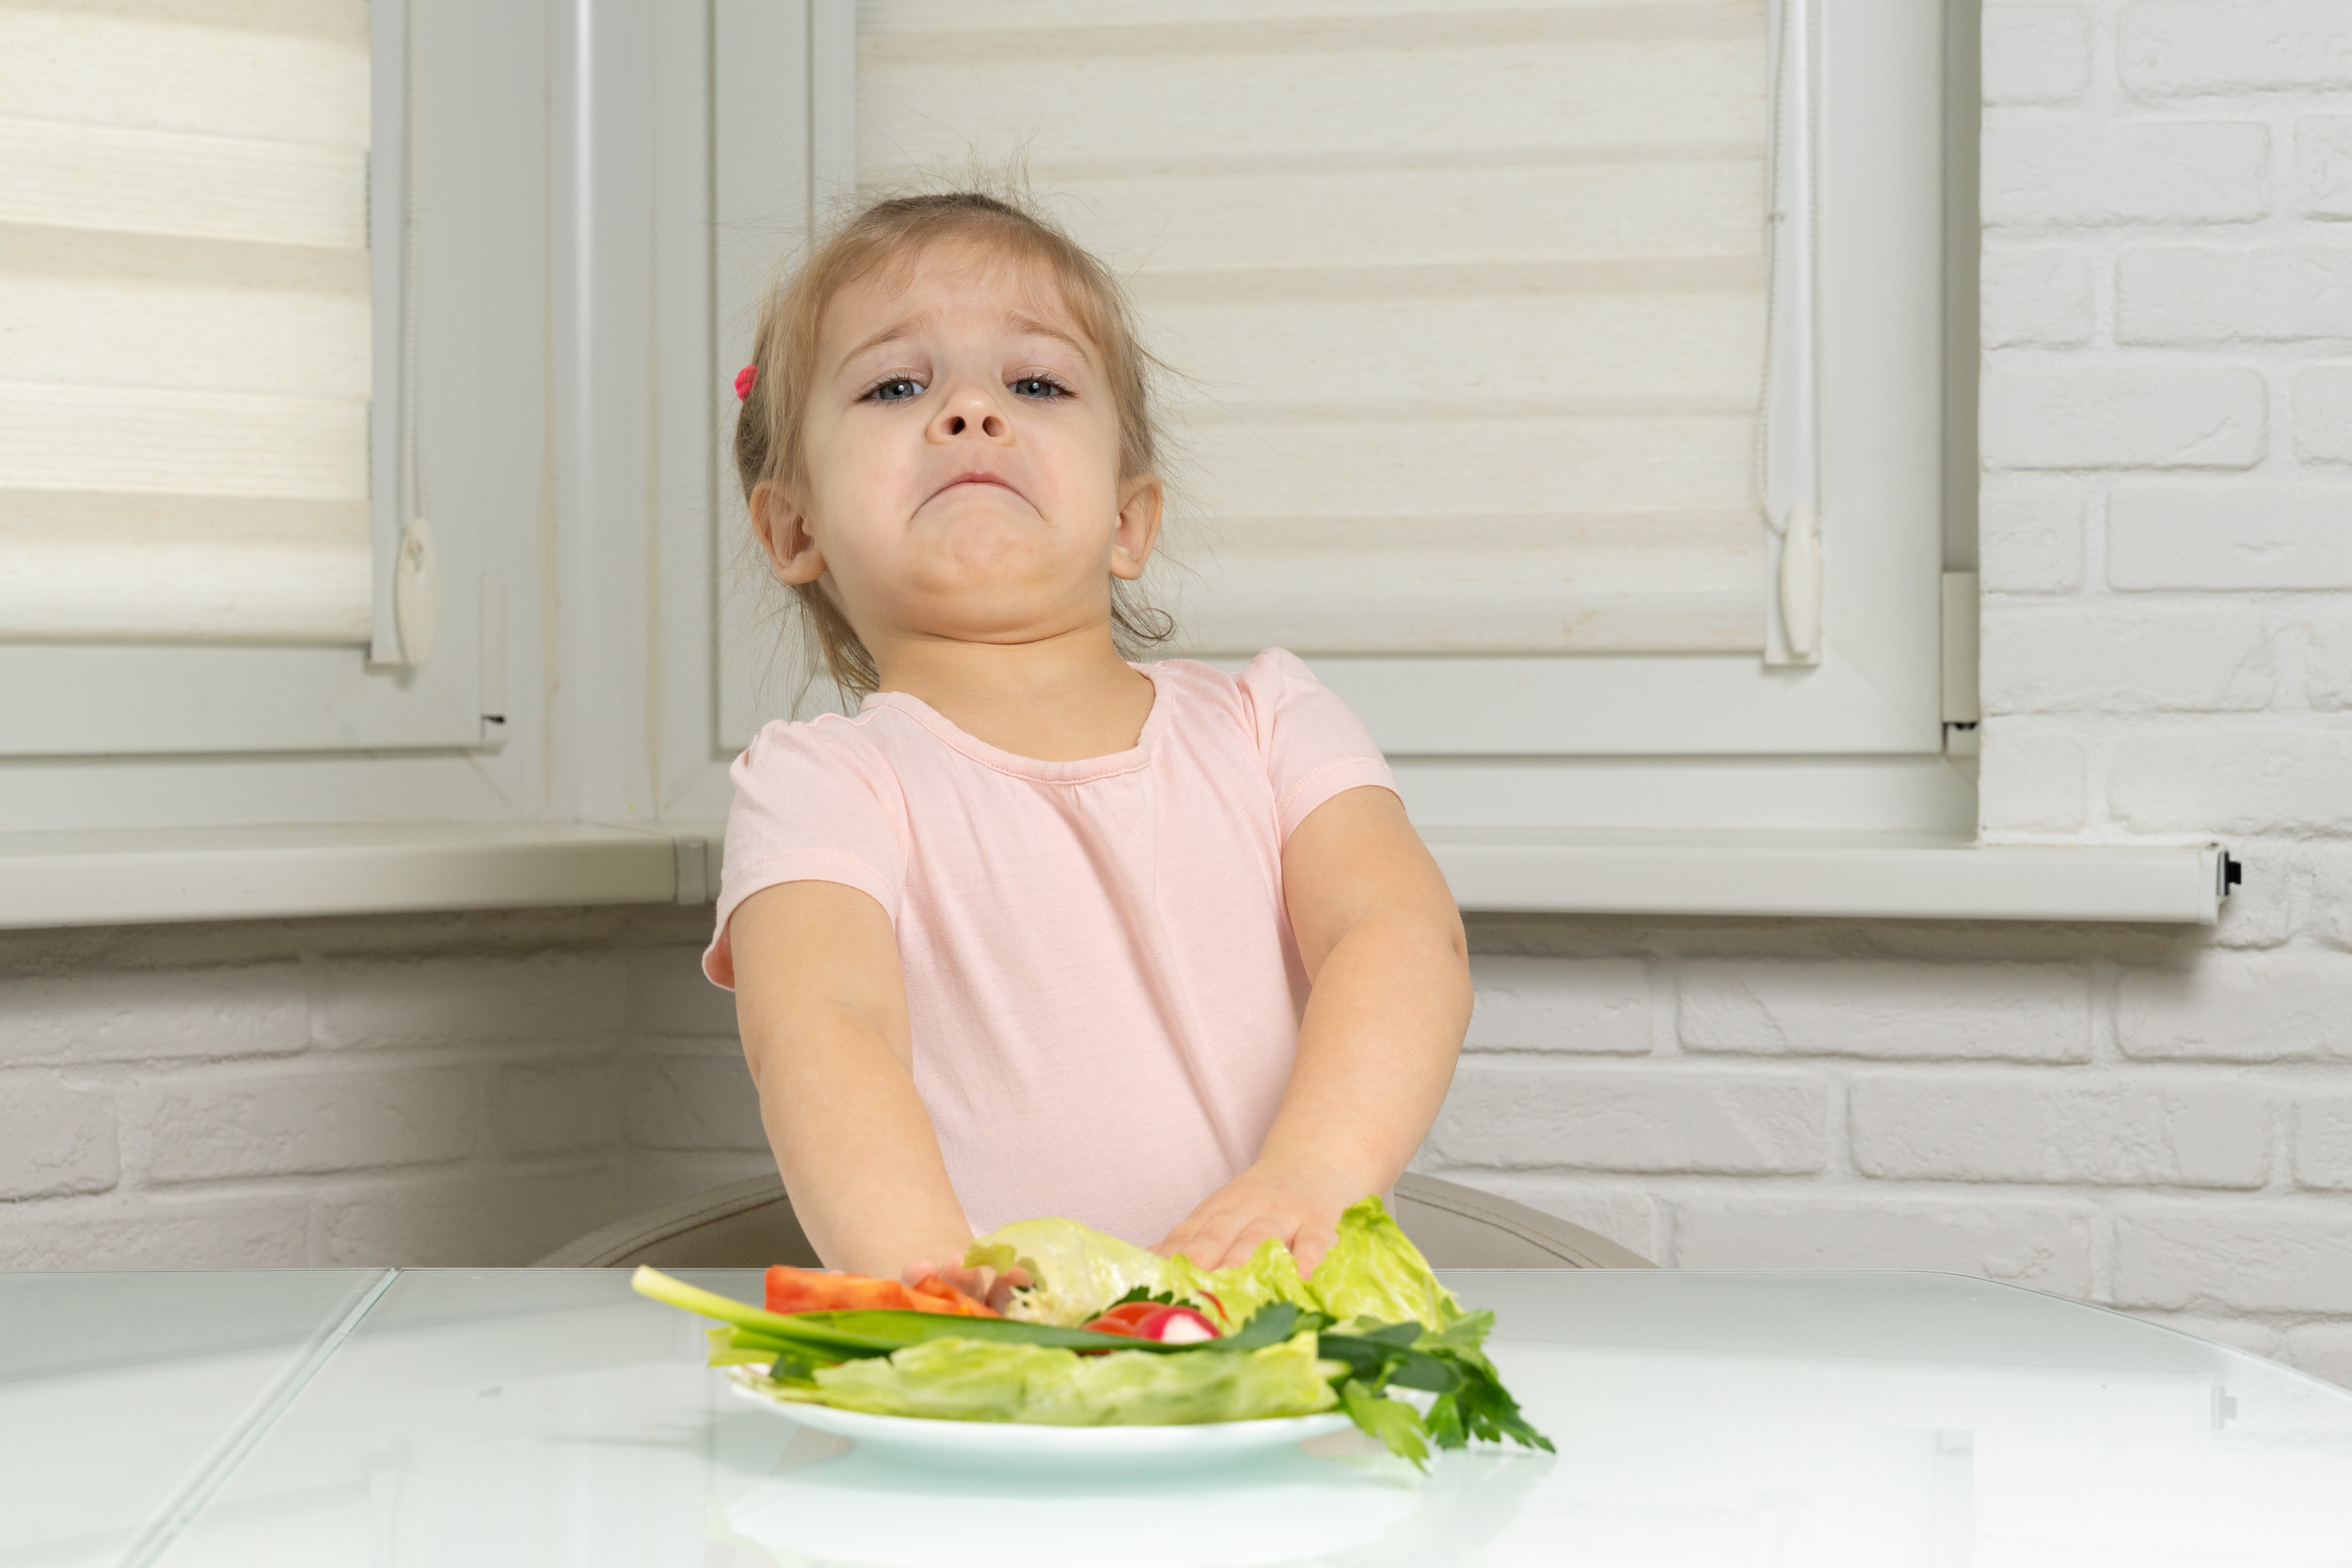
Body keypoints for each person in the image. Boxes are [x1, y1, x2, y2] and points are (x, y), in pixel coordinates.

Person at [707, 189, 1470, 1306]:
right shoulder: (819, 783)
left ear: (1128, 519)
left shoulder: (1269, 720)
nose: (970, 411)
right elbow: (824, 1028)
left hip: (1294, 1338)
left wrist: (1315, 1170)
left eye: (1036, 383)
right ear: (795, 526)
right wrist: (935, 1282)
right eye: (894, 385)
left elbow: (1398, 934)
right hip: (1010, 1368)